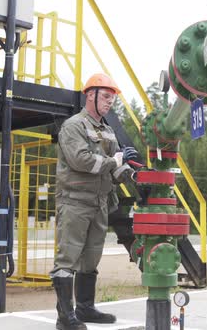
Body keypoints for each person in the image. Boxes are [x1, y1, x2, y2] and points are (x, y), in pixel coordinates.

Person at [50, 73, 138, 330]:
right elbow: (82, 160)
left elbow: (113, 169)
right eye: (106, 96)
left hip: (99, 202)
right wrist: (115, 161)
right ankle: (64, 318)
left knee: (91, 258)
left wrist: (131, 172)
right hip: (75, 201)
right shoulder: (73, 126)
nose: (110, 102)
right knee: (67, 258)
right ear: (91, 95)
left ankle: (85, 308)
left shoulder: (108, 131)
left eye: (113, 98)